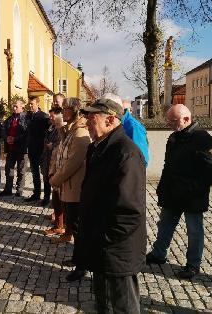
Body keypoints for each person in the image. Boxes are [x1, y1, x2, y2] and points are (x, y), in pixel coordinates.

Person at [78, 98, 146, 312]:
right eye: (87, 116)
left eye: (92, 117)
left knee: (122, 307)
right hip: (101, 246)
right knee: (104, 304)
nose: (87, 121)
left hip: (115, 251)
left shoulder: (126, 153)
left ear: (110, 120)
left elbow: (130, 211)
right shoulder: (98, 148)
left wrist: (103, 241)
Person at [147, 104, 212, 279]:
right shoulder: (174, 137)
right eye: (168, 121)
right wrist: (162, 187)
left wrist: (192, 189)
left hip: (192, 196)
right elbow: (168, 166)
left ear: (186, 119)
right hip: (172, 193)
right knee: (164, 225)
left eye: (173, 121)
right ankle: (158, 254)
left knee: (194, 231)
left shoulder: (203, 139)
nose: (169, 124)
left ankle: (193, 265)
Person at [48, 99, 90, 275]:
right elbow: (64, 145)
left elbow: (73, 161)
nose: (62, 111)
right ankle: (77, 259)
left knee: (79, 228)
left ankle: (82, 265)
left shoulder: (80, 132)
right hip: (69, 186)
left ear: (74, 110)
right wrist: (59, 126)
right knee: (73, 224)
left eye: (65, 109)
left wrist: (55, 179)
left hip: (75, 188)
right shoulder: (73, 128)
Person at [0, 100, 29, 197]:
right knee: (9, 169)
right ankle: (8, 189)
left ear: (22, 107)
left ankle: (19, 190)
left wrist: (15, 139)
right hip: (11, 148)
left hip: (21, 149)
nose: (14, 108)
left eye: (16, 106)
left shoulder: (26, 119)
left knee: (21, 170)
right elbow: (3, 129)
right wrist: (6, 137)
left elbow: (26, 134)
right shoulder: (10, 119)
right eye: (13, 106)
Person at [25, 96, 51, 205]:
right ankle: (36, 194)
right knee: (35, 174)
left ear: (37, 104)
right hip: (31, 150)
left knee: (45, 175)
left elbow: (49, 133)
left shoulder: (44, 117)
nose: (30, 106)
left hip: (42, 150)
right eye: (29, 104)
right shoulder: (28, 116)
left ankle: (46, 197)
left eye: (32, 104)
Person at [42, 105, 65, 210]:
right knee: (46, 179)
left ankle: (56, 205)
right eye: (50, 116)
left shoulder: (60, 128)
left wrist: (53, 145)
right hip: (47, 157)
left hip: (55, 159)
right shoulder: (50, 127)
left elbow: (62, 142)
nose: (50, 118)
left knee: (54, 182)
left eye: (52, 117)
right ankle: (46, 198)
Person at [117, 97, 150, 166]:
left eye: (124, 110)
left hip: (132, 170)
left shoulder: (133, 126)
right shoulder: (122, 124)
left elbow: (141, 154)